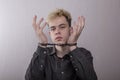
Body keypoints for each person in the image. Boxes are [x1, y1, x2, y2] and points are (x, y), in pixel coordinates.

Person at [25, 8, 97, 80]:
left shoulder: (84, 54)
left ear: (70, 30)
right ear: (50, 34)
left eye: (62, 27)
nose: (57, 32)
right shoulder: (43, 54)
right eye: (53, 29)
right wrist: (42, 45)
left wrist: (72, 45)